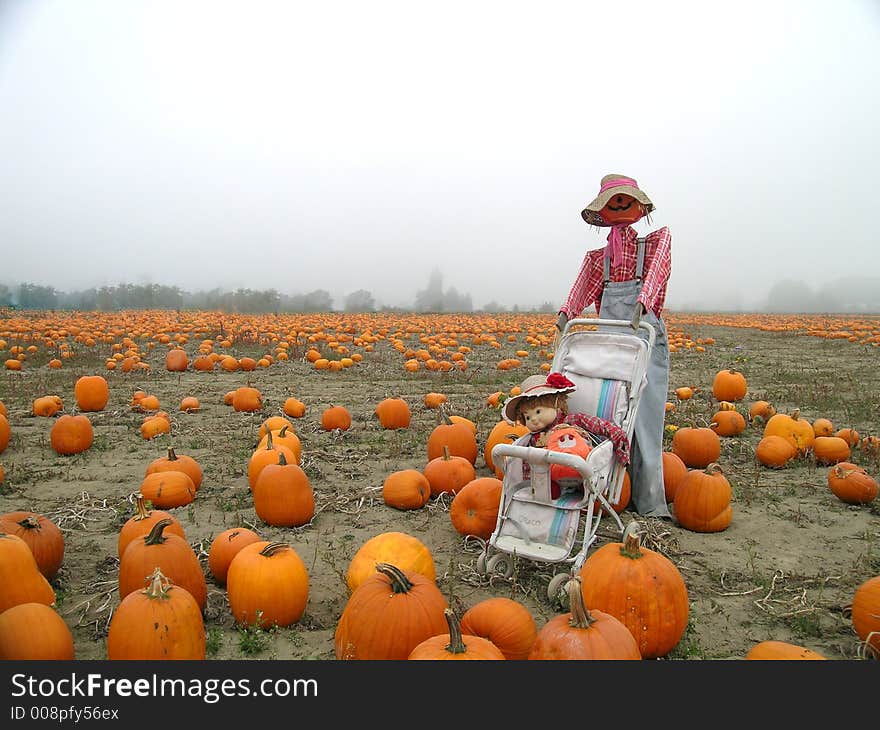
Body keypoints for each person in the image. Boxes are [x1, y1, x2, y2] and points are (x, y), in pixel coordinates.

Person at [556, 173, 671, 518]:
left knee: (645, 416)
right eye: (612, 202)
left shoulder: (654, 244)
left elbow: (657, 273)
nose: (619, 205)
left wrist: (644, 301)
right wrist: (566, 313)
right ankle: (605, 488)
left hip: (643, 336)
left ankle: (649, 499)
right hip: (611, 341)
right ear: (603, 212)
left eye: (625, 199)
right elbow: (581, 287)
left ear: (637, 205)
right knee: (608, 413)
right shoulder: (598, 258)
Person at [502, 372, 630, 498]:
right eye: (528, 417)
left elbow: (598, 425)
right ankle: (550, 488)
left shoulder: (572, 421)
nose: (533, 419)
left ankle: (583, 486)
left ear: (555, 403)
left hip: (580, 471)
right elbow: (527, 463)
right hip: (549, 476)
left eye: (538, 411)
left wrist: (615, 433)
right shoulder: (534, 439)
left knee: (587, 471)